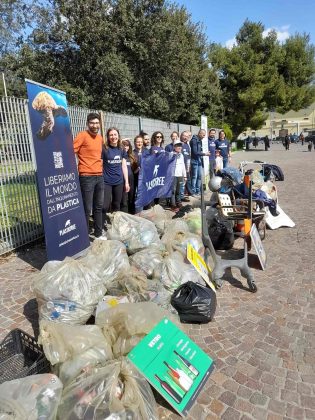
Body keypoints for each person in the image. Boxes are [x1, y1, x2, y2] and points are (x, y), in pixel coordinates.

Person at [73, 113, 105, 239]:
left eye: (97, 123)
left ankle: (98, 233)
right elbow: (71, 151)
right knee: (87, 208)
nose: (95, 125)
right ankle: (84, 237)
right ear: (88, 123)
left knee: (98, 207)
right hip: (86, 176)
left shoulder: (100, 138)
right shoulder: (82, 135)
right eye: (92, 123)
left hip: (99, 176)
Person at [102, 127, 129, 229]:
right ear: (108, 137)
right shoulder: (104, 149)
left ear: (118, 136)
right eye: (111, 135)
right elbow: (100, 164)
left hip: (119, 181)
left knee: (117, 204)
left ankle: (115, 223)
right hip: (106, 181)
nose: (113, 137)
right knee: (104, 205)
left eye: (115, 135)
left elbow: (124, 166)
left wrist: (126, 182)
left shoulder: (121, 149)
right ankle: (102, 222)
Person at [189, 129, 210, 195]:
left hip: (199, 160)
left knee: (200, 176)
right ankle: (193, 191)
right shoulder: (194, 141)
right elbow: (195, 152)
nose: (204, 136)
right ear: (199, 133)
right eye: (203, 135)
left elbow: (199, 151)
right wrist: (205, 154)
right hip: (194, 160)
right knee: (194, 176)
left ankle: (198, 191)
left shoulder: (199, 140)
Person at [121, 138, 137, 214]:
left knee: (131, 198)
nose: (125, 147)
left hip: (131, 180)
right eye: (123, 145)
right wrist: (121, 140)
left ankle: (132, 214)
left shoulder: (131, 156)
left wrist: (139, 168)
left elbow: (135, 170)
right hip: (122, 180)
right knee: (124, 200)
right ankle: (125, 214)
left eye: (127, 146)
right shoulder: (119, 155)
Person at [170, 140, 186, 211]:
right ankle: (173, 204)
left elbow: (183, 165)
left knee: (178, 190)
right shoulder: (171, 154)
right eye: (177, 145)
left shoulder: (181, 155)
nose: (179, 147)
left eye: (180, 146)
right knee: (173, 190)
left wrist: (185, 175)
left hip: (180, 175)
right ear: (174, 147)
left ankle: (178, 202)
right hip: (173, 175)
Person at [179, 130, 192, 200]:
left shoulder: (187, 145)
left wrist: (188, 166)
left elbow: (189, 156)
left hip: (186, 166)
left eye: (187, 136)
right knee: (180, 182)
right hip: (179, 166)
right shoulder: (179, 144)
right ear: (181, 136)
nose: (185, 137)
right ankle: (180, 196)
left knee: (184, 181)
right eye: (184, 136)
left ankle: (183, 194)